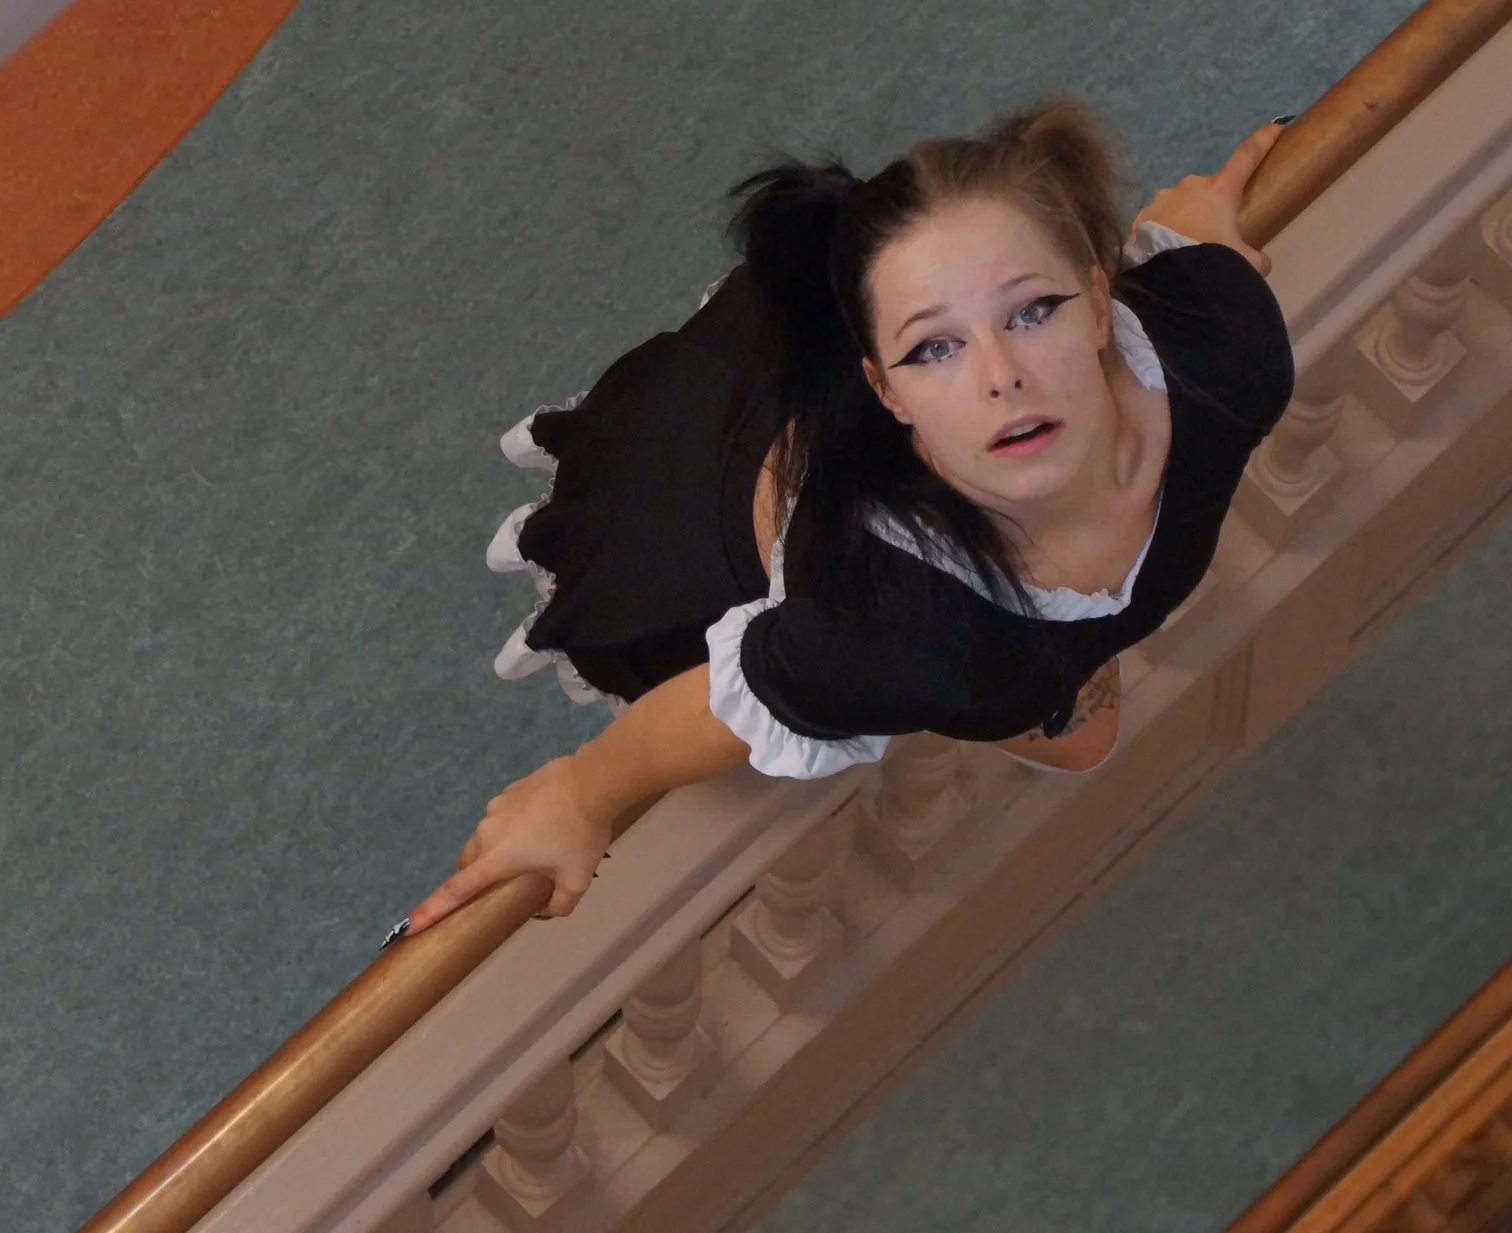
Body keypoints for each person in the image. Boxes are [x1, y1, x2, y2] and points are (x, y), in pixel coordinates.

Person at [399, 101, 1295, 937]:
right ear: (884, 389)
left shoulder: (1229, 349)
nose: (1000, 376)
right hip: (747, 497)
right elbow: (724, 702)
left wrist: (1201, 232)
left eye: (1031, 310)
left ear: (1101, 302)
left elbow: (1196, 264)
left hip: (983, 624)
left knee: (1053, 708)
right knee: (1028, 701)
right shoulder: (884, 626)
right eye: (933, 346)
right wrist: (582, 789)